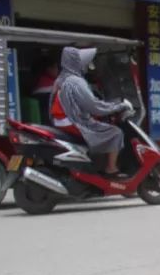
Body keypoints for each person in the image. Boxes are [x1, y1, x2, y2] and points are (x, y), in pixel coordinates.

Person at [49, 46, 129, 177]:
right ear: (76, 63)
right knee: (116, 133)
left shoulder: (60, 79)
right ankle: (111, 168)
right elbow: (94, 107)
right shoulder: (75, 81)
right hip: (73, 121)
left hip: (59, 121)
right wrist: (118, 107)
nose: (86, 66)